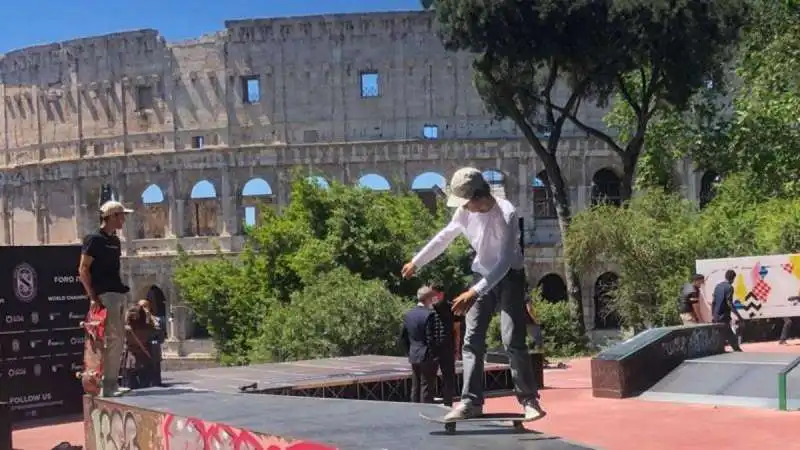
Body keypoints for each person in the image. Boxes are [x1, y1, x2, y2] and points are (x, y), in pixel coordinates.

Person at [401, 167, 544, 422]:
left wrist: (473, 292)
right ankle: (471, 402)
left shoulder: (507, 214)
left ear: (479, 197)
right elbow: (445, 236)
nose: (464, 209)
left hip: (509, 276)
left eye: (467, 203)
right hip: (481, 276)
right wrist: (417, 261)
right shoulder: (464, 211)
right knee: (472, 340)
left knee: (512, 339)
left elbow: (505, 262)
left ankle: (529, 400)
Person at [78, 200, 134, 397]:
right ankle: (104, 386)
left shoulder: (115, 241)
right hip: (104, 294)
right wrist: (92, 296)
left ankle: (112, 383)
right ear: (111, 217)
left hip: (117, 293)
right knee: (107, 340)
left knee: (118, 339)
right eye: (121, 215)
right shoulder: (94, 239)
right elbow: (83, 269)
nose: (124, 219)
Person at [400, 286, 440, 403]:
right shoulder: (430, 315)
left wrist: (409, 351)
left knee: (415, 386)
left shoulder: (408, 315)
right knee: (426, 386)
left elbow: (403, 337)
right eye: (433, 297)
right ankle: (425, 411)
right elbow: (430, 338)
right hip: (427, 355)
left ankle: (414, 410)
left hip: (414, 354)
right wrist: (434, 355)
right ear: (428, 298)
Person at [430, 288, 457, 407]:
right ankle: (428, 404)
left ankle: (448, 403)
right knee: (429, 377)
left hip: (447, 346)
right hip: (432, 347)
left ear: (441, 294)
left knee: (448, 377)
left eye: (435, 294)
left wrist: (457, 348)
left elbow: (457, 329)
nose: (433, 296)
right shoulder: (429, 308)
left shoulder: (452, 307)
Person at [122, 304, 156, 389]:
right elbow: (156, 333)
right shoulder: (148, 327)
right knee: (145, 385)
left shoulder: (126, 329)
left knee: (130, 386)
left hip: (131, 359)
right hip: (143, 358)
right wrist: (148, 317)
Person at [711, 270, 744, 352]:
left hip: (716, 315)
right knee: (729, 334)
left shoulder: (717, 286)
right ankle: (737, 350)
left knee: (721, 335)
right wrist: (739, 316)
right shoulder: (729, 287)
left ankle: (729, 350)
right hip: (724, 316)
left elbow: (713, 302)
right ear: (733, 279)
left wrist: (713, 314)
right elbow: (729, 303)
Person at [138, 299, 166, 386]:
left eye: (145, 306)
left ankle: (156, 381)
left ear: (149, 307)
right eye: (141, 307)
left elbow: (161, 335)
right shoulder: (135, 321)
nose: (143, 309)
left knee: (155, 365)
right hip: (141, 347)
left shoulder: (157, 319)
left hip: (154, 347)